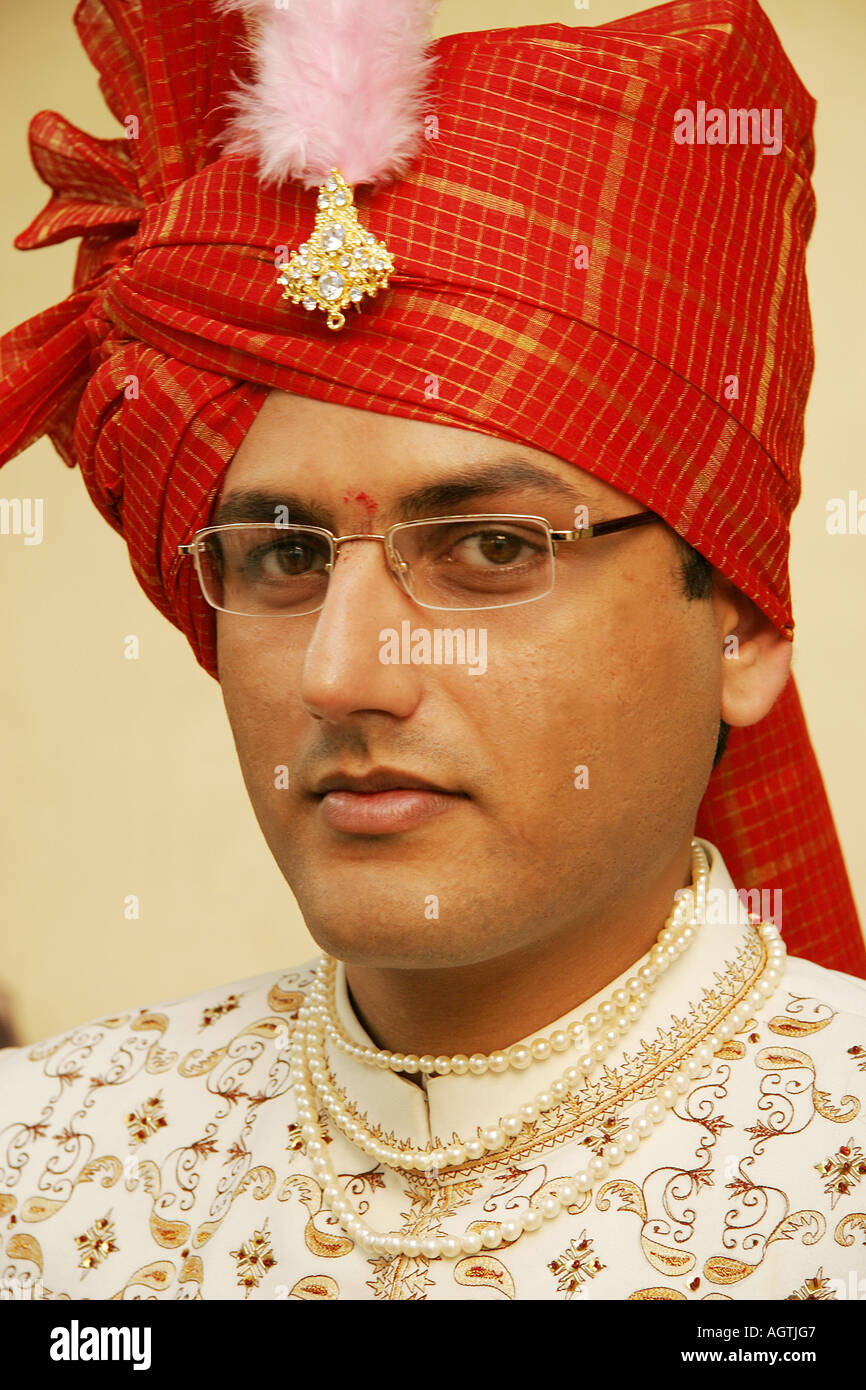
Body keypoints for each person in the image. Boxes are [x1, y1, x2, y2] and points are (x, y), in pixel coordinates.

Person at [0, 0, 864, 1301]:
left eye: (492, 549)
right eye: (284, 557)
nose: (341, 674)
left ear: (737, 619)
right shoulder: (49, 1163)